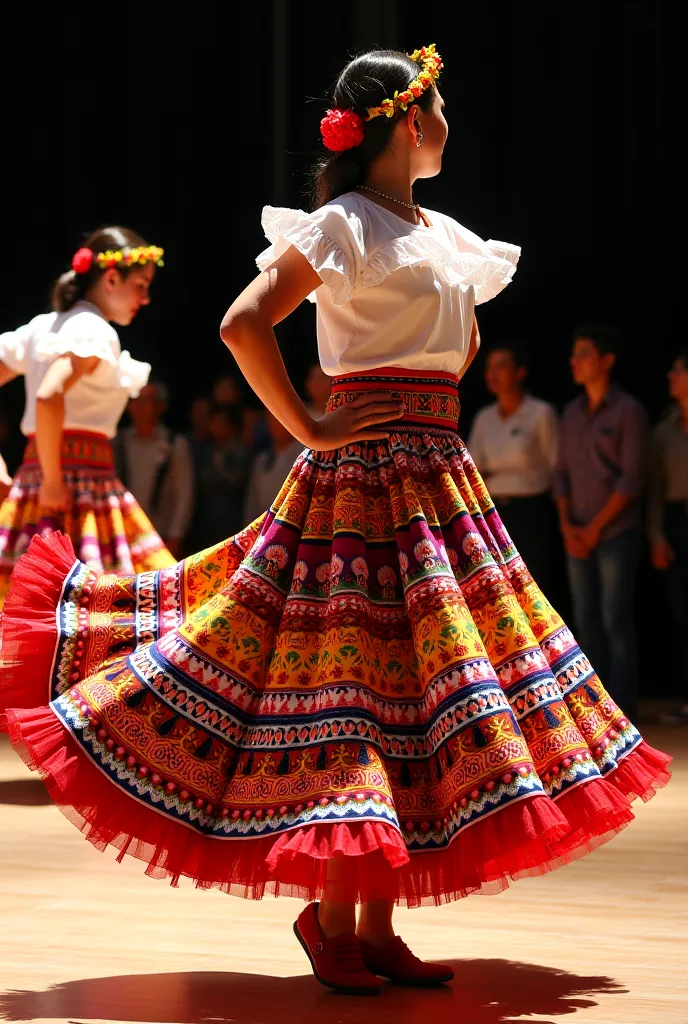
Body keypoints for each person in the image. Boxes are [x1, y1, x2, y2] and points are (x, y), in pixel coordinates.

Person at [0, 47, 670, 998]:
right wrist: (311, 422)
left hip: (438, 482)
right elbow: (244, 321)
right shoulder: (345, 225)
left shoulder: (445, 233)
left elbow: (461, 347)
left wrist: (420, 393)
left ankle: (371, 921)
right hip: (361, 484)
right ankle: (336, 919)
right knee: (355, 691)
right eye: (438, 108)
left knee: (417, 698)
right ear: (405, 118)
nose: (448, 124)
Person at [0, 227, 175, 608]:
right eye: (141, 285)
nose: (145, 298)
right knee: (110, 612)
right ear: (112, 278)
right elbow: (48, 395)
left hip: (35, 487)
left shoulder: (42, 326)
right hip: (76, 489)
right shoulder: (94, 330)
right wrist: (51, 480)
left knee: (27, 610)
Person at [553, 324, 649, 719]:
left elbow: (632, 479)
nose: (575, 362)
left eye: (585, 354)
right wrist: (567, 526)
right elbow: (560, 475)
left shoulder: (628, 411)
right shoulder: (571, 413)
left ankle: (623, 706)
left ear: (607, 361)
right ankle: (594, 708)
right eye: (573, 355)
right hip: (575, 531)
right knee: (584, 620)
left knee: (615, 618)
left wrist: (592, 530)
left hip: (613, 533)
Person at [468, 341, 559, 593]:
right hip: (495, 512)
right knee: (501, 589)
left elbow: (555, 467)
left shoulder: (540, 412)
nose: (492, 374)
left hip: (532, 512)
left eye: (501, 366)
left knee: (535, 586)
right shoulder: (484, 417)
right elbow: (474, 469)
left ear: (520, 372)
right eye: (489, 368)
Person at [648, 351, 688, 725]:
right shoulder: (664, 430)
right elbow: (656, 491)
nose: (670, 375)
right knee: (682, 612)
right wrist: (657, 535)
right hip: (678, 519)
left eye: (677, 369)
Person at [115, 382, 194, 561]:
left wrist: (176, 535)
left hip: (160, 536)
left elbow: (184, 492)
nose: (139, 406)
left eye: (147, 400)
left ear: (160, 406)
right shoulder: (119, 442)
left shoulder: (174, 444)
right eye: (135, 400)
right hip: (123, 537)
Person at [187, 404, 251, 549]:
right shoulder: (203, 452)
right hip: (203, 524)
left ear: (232, 427)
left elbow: (234, 482)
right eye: (213, 422)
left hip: (231, 523)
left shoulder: (241, 454)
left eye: (219, 423)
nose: (214, 427)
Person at [243, 411, 304, 524]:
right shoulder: (262, 459)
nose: (276, 422)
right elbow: (252, 501)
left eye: (280, 417)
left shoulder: (303, 458)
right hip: (260, 527)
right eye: (272, 418)